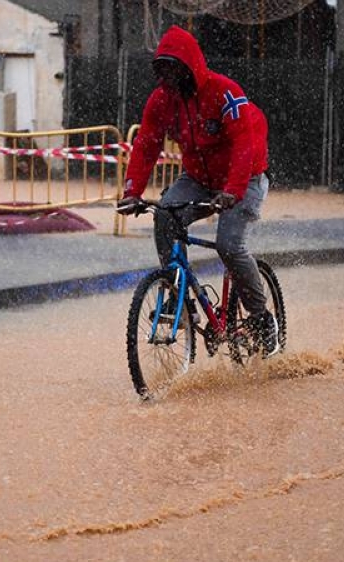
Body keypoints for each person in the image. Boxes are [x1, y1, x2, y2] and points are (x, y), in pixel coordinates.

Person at [116, 25, 278, 357]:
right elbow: (146, 144)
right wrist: (132, 191)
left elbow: (244, 144)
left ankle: (262, 319)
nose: (167, 78)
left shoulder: (225, 93)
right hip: (199, 179)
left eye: (173, 69)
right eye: (161, 70)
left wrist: (232, 191)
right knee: (164, 215)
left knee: (229, 246)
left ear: (190, 67)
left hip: (245, 178)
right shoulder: (161, 100)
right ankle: (176, 293)